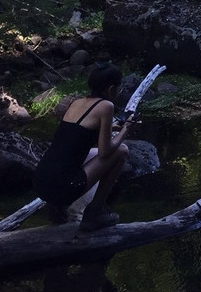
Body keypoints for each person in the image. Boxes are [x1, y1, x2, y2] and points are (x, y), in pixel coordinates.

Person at [33, 63, 134, 231]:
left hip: (41, 183)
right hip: (63, 187)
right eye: (119, 88)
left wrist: (112, 128)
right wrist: (126, 129)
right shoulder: (106, 106)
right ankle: (95, 211)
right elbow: (105, 152)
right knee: (122, 151)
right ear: (111, 89)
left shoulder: (76, 103)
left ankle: (55, 208)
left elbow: (76, 137)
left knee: (85, 153)